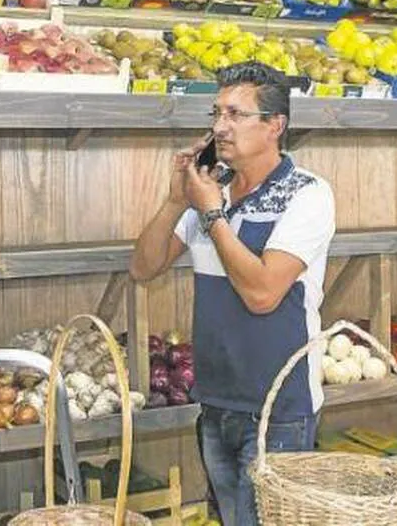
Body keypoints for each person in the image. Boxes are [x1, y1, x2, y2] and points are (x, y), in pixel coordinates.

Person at [129, 62, 336, 526]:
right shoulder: (209, 190)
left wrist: (212, 217)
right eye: (216, 113)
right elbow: (143, 268)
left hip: (278, 410)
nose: (220, 126)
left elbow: (262, 294)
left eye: (236, 115)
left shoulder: (307, 195)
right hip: (217, 402)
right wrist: (174, 201)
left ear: (274, 126)